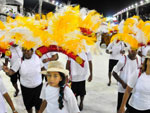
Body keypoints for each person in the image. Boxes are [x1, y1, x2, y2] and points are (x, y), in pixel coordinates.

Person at [3, 48, 45, 113]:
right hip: (26, 89)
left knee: (38, 105)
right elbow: (11, 72)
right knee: (28, 105)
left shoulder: (37, 58)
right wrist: (7, 71)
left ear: (32, 51)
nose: (26, 52)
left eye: (28, 50)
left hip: (38, 87)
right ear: (22, 51)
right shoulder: (19, 61)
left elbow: (43, 68)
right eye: (24, 50)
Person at [112, 48, 140, 112]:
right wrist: (122, 83)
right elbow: (114, 73)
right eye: (132, 50)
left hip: (132, 90)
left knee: (130, 108)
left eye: (135, 50)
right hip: (122, 89)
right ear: (128, 50)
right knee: (120, 108)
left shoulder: (138, 59)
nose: (133, 52)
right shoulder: (123, 60)